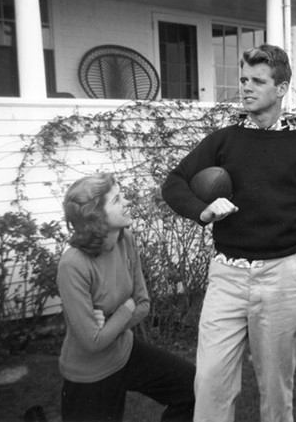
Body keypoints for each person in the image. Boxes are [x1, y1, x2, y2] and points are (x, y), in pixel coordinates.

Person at [161, 44, 296, 422]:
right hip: (227, 276)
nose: (247, 87)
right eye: (243, 79)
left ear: (282, 88)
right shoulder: (223, 141)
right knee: (209, 383)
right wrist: (202, 211)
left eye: (258, 80)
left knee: (276, 391)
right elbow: (174, 183)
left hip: (283, 277)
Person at [57, 173, 195, 421]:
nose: (127, 202)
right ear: (96, 216)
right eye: (117, 199)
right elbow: (93, 343)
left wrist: (110, 322)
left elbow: (143, 304)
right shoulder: (73, 264)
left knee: (192, 388)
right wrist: (124, 310)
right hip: (88, 374)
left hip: (125, 352)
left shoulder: (125, 239)